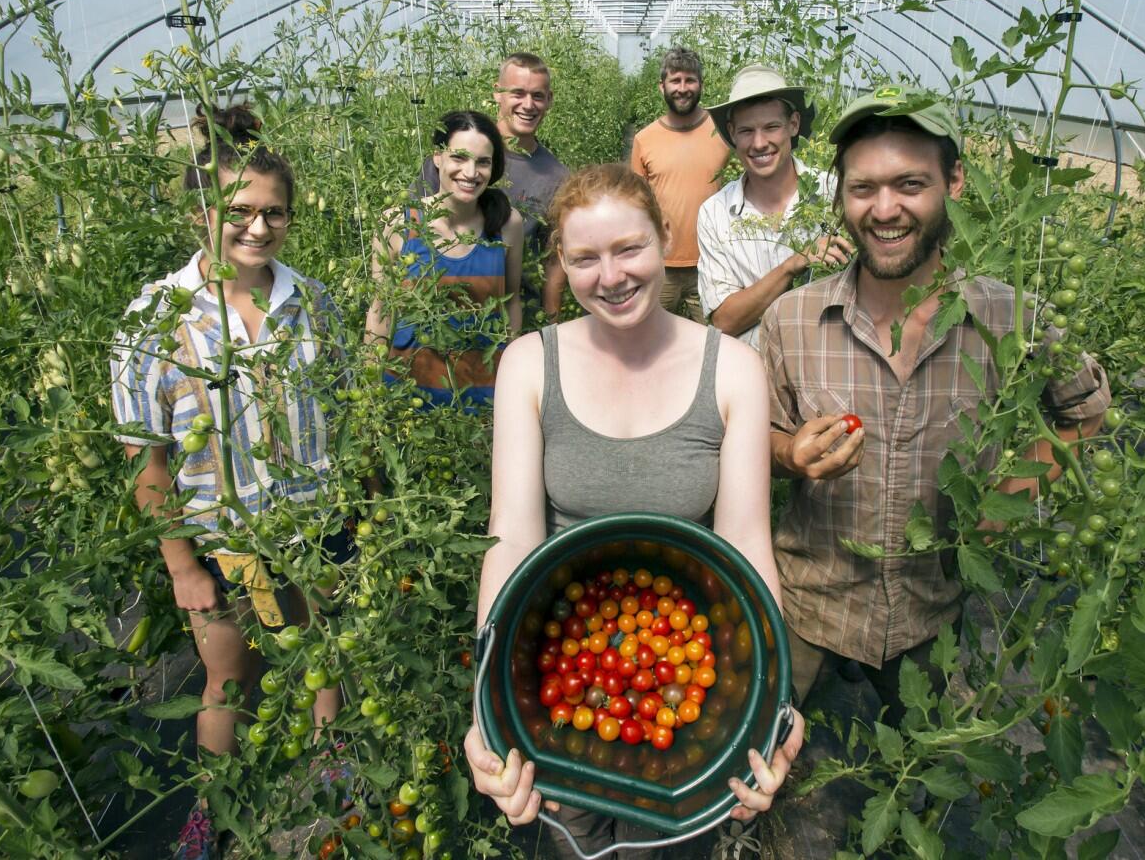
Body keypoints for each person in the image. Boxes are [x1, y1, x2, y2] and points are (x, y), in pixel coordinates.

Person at [463, 163, 805, 858]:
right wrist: (485, 707)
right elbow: (512, 542)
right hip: (559, 666)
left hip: (683, 673)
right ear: (560, 260)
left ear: (666, 239)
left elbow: (745, 545)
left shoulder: (732, 368)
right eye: (584, 258)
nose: (610, 276)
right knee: (570, 831)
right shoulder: (529, 364)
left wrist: (772, 702)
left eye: (629, 250)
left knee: (665, 842)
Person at [759, 85, 1111, 712]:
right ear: (841, 196)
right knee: (761, 749)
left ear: (955, 183)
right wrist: (788, 453)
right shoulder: (793, 319)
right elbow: (752, 437)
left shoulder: (1009, 316)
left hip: (931, 612)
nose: (884, 209)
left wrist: (1013, 496)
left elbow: (1082, 409)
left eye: (910, 184)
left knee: (921, 756)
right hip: (808, 603)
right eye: (862, 188)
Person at [110, 105, 350, 860]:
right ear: (201, 214)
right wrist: (180, 565)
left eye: (273, 212)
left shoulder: (311, 302)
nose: (258, 227)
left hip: (313, 525)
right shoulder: (154, 317)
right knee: (225, 674)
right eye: (239, 211)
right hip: (219, 539)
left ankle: (336, 774)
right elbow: (146, 459)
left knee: (324, 655)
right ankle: (209, 812)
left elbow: (344, 410)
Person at [366, 110, 524, 408]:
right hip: (408, 396)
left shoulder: (506, 224)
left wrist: (513, 375)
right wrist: (370, 391)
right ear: (438, 157)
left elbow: (512, 301)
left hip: (483, 395)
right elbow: (379, 310)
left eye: (483, 162)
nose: (470, 172)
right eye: (459, 158)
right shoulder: (397, 223)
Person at [698, 64, 851, 349]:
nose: (759, 143)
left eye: (771, 127)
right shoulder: (715, 213)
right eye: (746, 131)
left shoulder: (834, 194)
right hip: (750, 379)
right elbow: (724, 322)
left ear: (793, 124)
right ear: (731, 133)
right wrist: (793, 265)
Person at [414, 53, 571, 318]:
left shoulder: (557, 177)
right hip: (438, 309)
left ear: (549, 100)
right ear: (498, 93)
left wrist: (551, 322)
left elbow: (553, 258)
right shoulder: (455, 153)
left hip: (511, 312)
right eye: (518, 93)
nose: (528, 105)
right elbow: (414, 225)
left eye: (538, 95)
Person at [629, 47, 731, 322]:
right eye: (675, 81)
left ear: (701, 84)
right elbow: (637, 204)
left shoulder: (722, 131)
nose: (683, 88)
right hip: (662, 265)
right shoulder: (645, 139)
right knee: (649, 337)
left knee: (714, 340)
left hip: (713, 264)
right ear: (662, 87)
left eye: (690, 80)